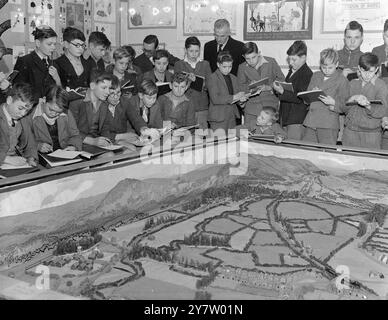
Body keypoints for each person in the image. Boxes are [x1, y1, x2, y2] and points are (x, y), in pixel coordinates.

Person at [303, 49, 350, 145]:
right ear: (320, 65)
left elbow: (346, 106)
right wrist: (310, 93)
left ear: (337, 64)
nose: (327, 70)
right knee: (306, 152)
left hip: (328, 124)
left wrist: (333, 103)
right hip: (311, 121)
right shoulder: (316, 75)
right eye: (324, 67)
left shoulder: (342, 80)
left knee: (327, 155)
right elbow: (306, 100)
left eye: (330, 67)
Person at [342, 53, 388, 150]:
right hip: (350, 132)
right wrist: (353, 98)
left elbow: (383, 111)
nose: (367, 75)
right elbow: (343, 108)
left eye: (371, 72)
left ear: (376, 69)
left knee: (369, 164)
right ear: (359, 68)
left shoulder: (381, 85)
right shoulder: (352, 83)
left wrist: (368, 106)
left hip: (371, 135)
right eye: (363, 71)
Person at [237, 42, 285, 128]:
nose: (251, 61)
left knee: (270, 137)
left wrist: (269, 87)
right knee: (248, 137)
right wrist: (249, 86)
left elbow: (281, 79)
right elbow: (240, 87)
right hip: (251, 109)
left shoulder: (271, 62)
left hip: (270, 108)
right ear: (243, 57)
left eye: (254, 57)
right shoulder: (242, 67)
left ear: (259, 53)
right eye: (248, 59)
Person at [273, 41, 313, 140]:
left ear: (303, 57)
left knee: (294, 149)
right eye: (289, 59)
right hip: (286, 117)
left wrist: (282, 91)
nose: (290, 63)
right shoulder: (292, 71)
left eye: (294, 59)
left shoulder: (307, 74)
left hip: (296, 119)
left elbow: (301, 98)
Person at [13, 25, 61, 103]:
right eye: (49, 44)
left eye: (55, 44)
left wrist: (57, 78)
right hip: (30, 108)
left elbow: (58, 91)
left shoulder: (54, 64)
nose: (53, 47)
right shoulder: (25, 61)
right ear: (38, 43)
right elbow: (18, 90)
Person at [68, 70, 114, 148]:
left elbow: (105, 129)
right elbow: (71, 131)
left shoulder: (104, 104)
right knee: (109, 156)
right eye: (104, 88)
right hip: (79, 144)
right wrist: (92, 141)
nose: (108, 92)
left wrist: (107, 141)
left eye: (109, 88)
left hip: (97, 143)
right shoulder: (76, 102)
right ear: (92, 86)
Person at [174, 37, 212, 130]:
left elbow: (210, 85)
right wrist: (189, 81)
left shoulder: (205, 64)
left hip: (201, 107)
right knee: (187, 137)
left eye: (197, 51)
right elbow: (176, 87)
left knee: (202, 136)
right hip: (185, 106)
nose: (194, 54)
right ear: (185, 50)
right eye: (191, 51)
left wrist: (198, 82)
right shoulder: (179, 64)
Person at [32, 85, 82, 154]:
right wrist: (38, 146)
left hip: (64, 153)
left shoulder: (66, 113)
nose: (54, 114)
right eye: (51, 109)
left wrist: (73, 146)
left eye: (58, 112)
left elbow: (75, 135)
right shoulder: (32, 115)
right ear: (44, 100)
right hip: (40, 156)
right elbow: (24, 140)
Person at [207, 51, 247, 132]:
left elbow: (236, 98)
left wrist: (241, 101)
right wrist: (235, 97)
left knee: (231, 143)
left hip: (231, 116)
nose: (227, 69)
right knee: (218, 143)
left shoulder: (234, 78)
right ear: (218, 64)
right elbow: (215, 99)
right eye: (224, 67)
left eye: (230, 66)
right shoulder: (212, 78)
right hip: (218, 118)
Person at [0, 83, 37, 167]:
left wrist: (31, 158)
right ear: (9, 100)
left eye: (27, 110)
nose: (23, 114)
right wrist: (6, 159)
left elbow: (30, 144)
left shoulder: (23, 119)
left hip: (16, 162)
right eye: (20, 108)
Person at [56, 27, 92, 94]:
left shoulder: (87, 63)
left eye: (83, 45)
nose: (81, 49)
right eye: (77, 45)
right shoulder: (58, 64)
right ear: (66, 44)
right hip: (65, 102)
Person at [372, 19, 388, 84]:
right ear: (383, 35)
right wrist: (379, 72)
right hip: (380, 89)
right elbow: (370, 77)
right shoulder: (376, 51)